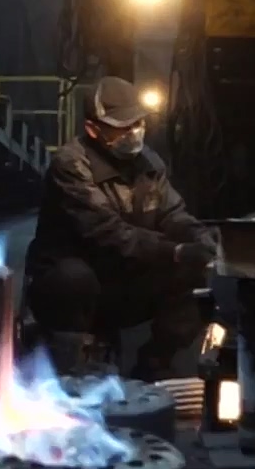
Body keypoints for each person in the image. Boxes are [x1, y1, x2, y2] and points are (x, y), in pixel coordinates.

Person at [23, 76, 216, 380]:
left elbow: (172, 213)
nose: (134, 132)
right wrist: (176, 251)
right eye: (123, 126)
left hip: (120, 279)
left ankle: (153, 367)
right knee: (73, 278)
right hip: (69, 289)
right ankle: (74, 365)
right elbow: (108, 232)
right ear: (93, 129)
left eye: (138, 123)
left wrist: (200, 238)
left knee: (193, 277)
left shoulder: (149, 164)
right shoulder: (71, 165)